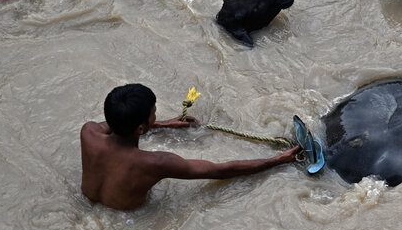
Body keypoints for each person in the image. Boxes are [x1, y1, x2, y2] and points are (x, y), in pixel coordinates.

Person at [80, 83, 301, 210]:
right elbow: (220, 171)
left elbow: (114, 124)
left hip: (87, 204)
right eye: (153, 112)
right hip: (128, 218)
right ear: (140, 128)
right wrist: (277, 160)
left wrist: (164, 124)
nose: (155, 114)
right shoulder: (155, 163)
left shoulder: (89, 132)